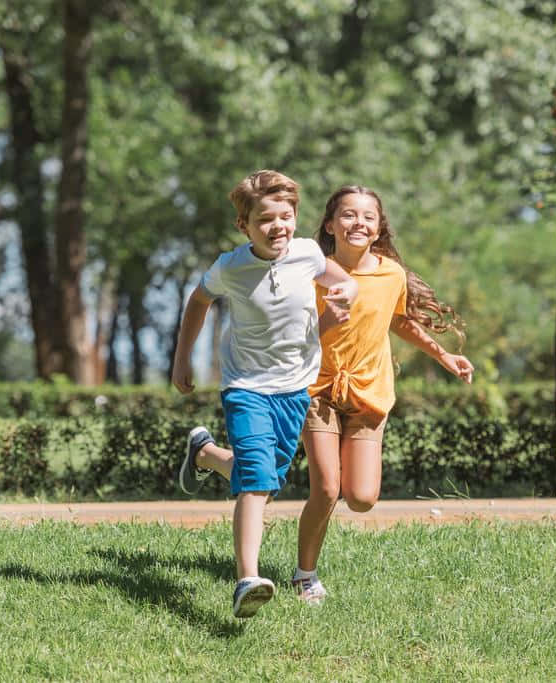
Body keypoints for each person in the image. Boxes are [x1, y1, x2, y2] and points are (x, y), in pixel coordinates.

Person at [180, 184, 473, 607]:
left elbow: (400, 320)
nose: (359, 223)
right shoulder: (310, 268)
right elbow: (293, 336)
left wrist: (443, 354)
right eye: (349, 215)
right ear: (330, 224)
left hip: (369, 391)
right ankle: (304, 575)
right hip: (315, 387)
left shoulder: (389, 274)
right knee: (325, 488)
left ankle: (206, 454)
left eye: (368, 216)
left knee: (361, 497)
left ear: (379, 228)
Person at [171, 170, 358, 619]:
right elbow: (198, 301)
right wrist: (181, 360)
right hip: (246, 387)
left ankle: (205, 454)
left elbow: (340, 278)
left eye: (286, 216)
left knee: (263, 482)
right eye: (266, 219)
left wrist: (346, 292)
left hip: (295, 389)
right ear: (245, 225)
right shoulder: (230, 267)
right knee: (256, 482)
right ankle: (247, 580)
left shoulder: (309, 254)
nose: (279, 227)